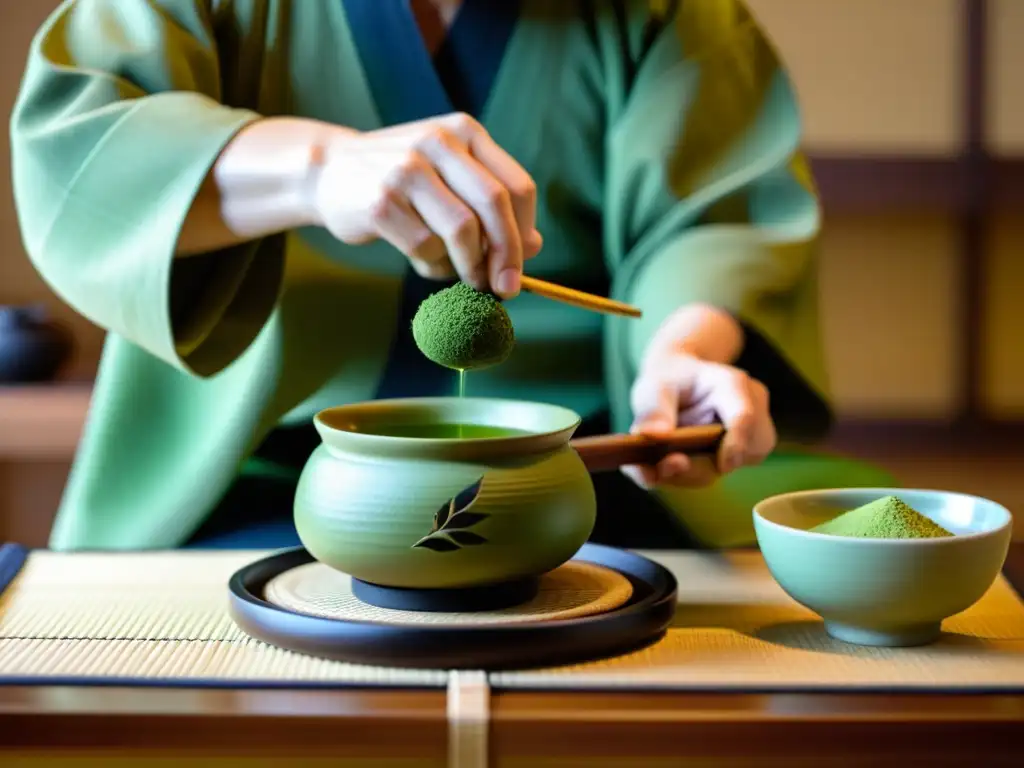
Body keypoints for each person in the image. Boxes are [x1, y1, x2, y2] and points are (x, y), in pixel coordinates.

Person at [10, 0, 891, 552]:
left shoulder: (663, 14)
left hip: (584, 478)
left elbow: (711, 217)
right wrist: (320, 168)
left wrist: (682, 356)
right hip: (266, 482)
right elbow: (78, 150)